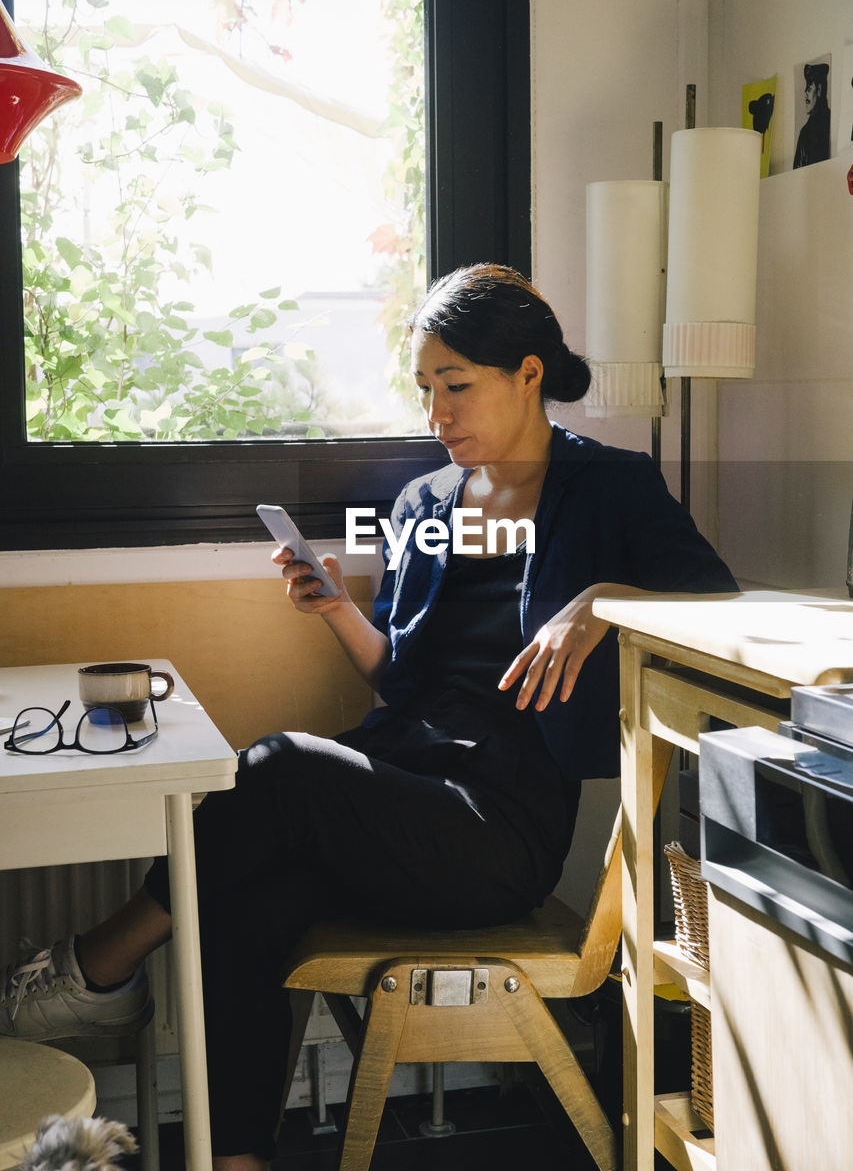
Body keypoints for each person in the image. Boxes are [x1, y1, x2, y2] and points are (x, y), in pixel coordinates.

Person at [0, 264, 738, 1171]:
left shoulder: (609, 488)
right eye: (426, 389)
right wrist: (336, 612)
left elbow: (716, 601)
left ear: (529, 374)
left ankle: (97, 969)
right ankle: (237, 1162)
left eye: (456, 386)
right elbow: (403, 682)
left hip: (494, 826)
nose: (438, 413)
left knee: (270, 763)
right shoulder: (423, 503)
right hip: (403, 791)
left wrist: (597, 601)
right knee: (242, 899)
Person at [793, 62, 830, 169]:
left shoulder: (807, 131)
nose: (806, 96)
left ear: (819, 90)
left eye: (809, 89)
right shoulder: (805, 132)